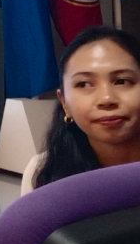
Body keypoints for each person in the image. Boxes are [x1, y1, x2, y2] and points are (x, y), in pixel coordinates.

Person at [24, 25, 140, 192]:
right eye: (84, 84)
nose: (106, 99)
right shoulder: (43, 170)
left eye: (121, 81)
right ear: (64, 102)